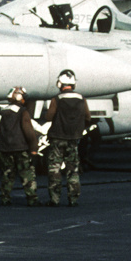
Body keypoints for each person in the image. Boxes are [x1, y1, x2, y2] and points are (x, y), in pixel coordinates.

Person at [41, 70, 90, 206]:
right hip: (74, 139)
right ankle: (73, 199)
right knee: (72, 169)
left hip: (57, 138)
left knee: (54, 169)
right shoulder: (82, 99)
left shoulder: (56, 99)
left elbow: (49, 117)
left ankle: (54, 199)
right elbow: (88, 117)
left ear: (60, 83)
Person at [0, 86, 41, 206]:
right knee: (27, 174)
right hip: (21, 148)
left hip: (6, 149)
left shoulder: (4, 112)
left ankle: (5, 198)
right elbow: (28, 130)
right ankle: (32, 198)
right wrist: (33, 148)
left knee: (7, 174)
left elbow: (0, 132)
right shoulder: (22, 112)